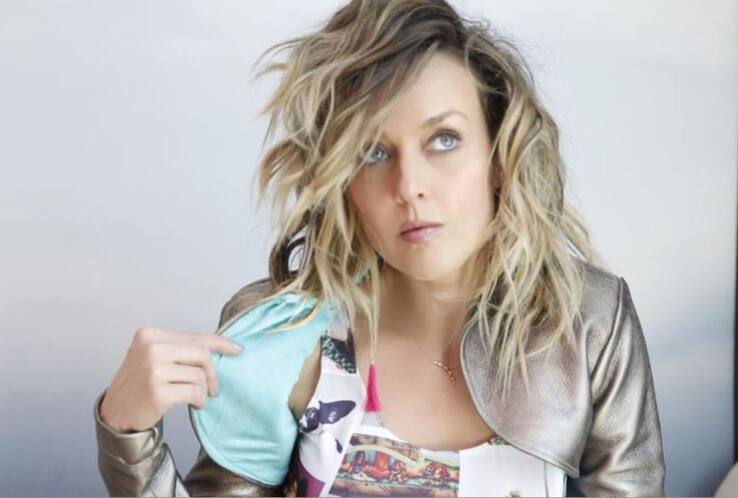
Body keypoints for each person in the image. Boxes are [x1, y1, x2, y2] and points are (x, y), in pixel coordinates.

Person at [94, 0, 666, 496]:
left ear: (499, 158)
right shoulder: (285, 341)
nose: (409, 186)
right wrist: (127, 438)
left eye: (444, 139)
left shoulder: (589, 323)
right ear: (344, 181)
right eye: (373, 152)